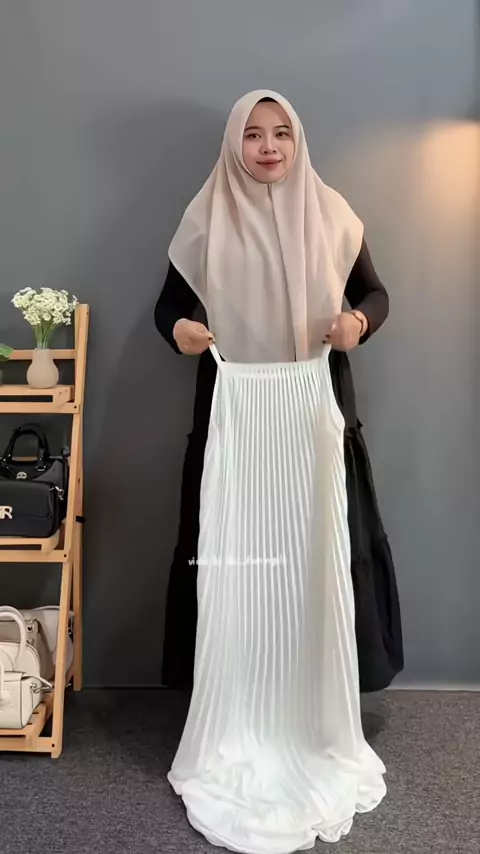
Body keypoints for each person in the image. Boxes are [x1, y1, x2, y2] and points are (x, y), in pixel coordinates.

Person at [155, 92, 403, 703]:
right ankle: (242, 689)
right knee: (237, 549)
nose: (269, 147)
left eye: (282, 133)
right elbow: (167, 308)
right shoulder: (206, 217)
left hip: (316, 402)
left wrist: (357, 324)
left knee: (318, 541)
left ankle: (315, 690)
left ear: (298, 141)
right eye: (254, 134)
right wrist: (180, 331)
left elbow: (375, 295)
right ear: (234, 143)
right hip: (234, 410)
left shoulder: (331, 213)